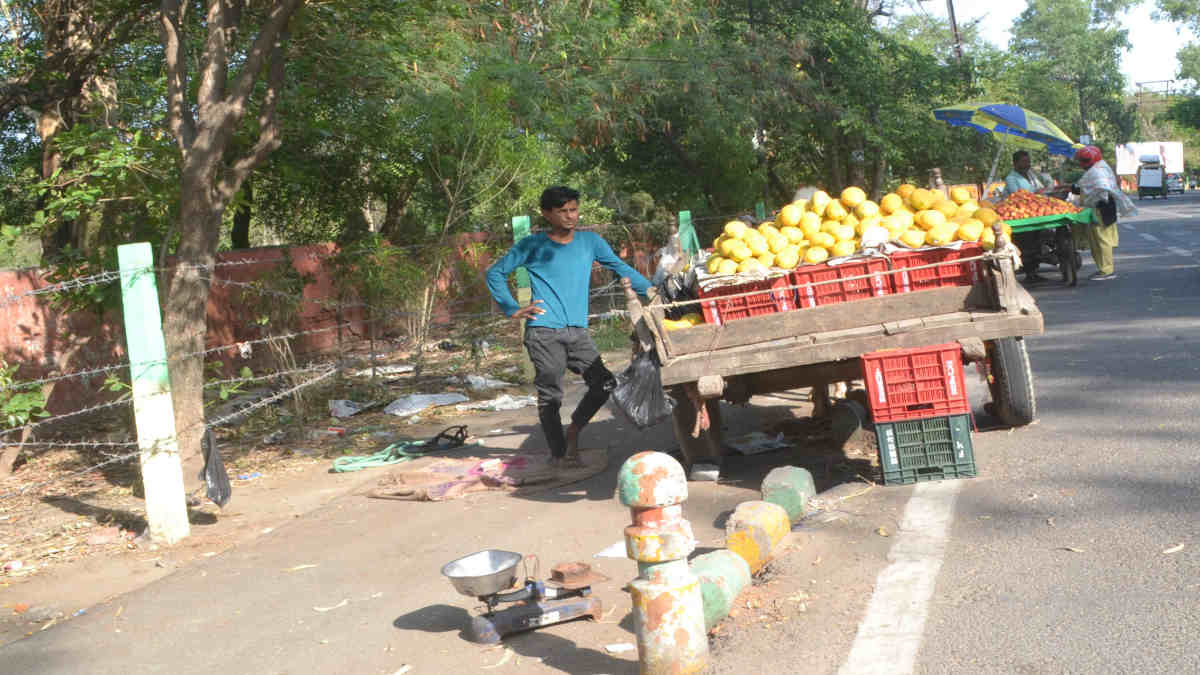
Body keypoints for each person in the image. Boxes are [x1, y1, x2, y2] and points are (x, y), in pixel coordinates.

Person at [486, 186, 652, 469]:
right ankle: (558, 452)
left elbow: (619, 268)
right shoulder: (532, 245)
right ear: (546, 213)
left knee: (604, 383)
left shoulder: (590, 242)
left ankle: (574, 429)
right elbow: (495, 273)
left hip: (578, 332)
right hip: (543, 332)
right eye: (562, 211)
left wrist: (651, 289)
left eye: (573, 209)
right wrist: (513, 308)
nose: (570, 216)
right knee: (551, 394)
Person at [1070, 145, 1135, 281]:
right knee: (1096, 240)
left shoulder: (1097, 172)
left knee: (1102, 240)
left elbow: (1093, 188)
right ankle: (1102, 268)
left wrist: (1074, 188)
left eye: (1083, 161)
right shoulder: (1099, 168)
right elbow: (1085, 187)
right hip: (1099, 208)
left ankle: (1107, 270)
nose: (1082, 164)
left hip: (1101, 209)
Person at [1003, 150, 1050, 282]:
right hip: (1019, 214)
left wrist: (1043, 192)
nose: (1027, 164)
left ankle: (1034, 270)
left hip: (1035, 211)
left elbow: (1040, 189)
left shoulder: (1031, 175)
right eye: (1023, 162)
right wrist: (1034, 195)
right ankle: (1030, 272)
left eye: (1028, 162)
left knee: (1038, 237)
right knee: (1026, 241)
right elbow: (1017, 196)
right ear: (1015, 163)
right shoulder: (1011, 178)